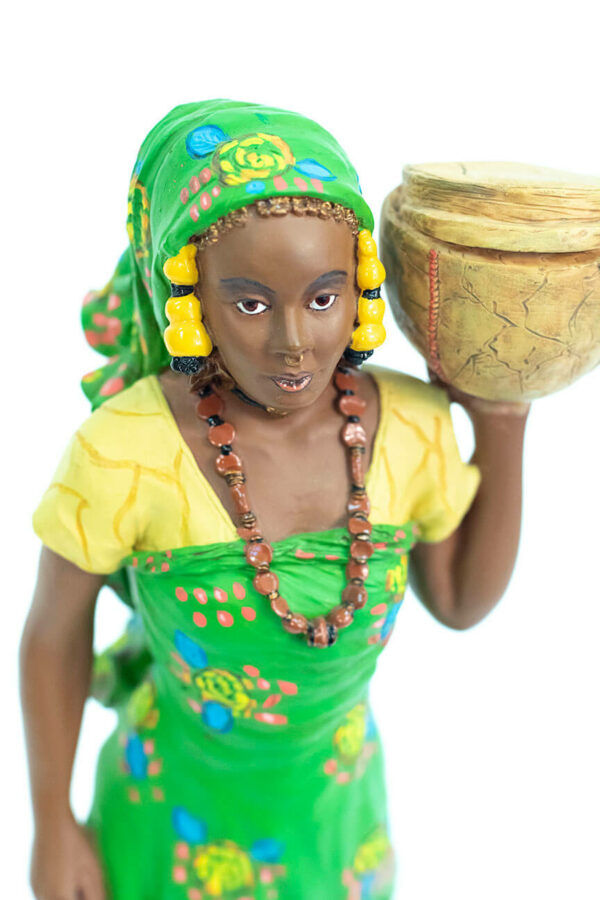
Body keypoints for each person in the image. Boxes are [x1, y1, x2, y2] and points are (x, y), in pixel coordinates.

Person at [20, 100, 530, 900]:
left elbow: (461, 600)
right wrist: (53, 822)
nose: (294, 343)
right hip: (164, 828)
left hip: (335, 832)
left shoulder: (409, 432)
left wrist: (503, 419)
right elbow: (52, 635)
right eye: (251, 304)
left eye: (323, 298)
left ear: (359, 288)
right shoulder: (123, 452)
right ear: (190, 298)